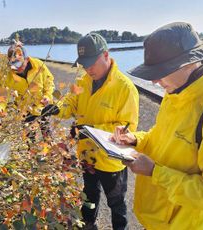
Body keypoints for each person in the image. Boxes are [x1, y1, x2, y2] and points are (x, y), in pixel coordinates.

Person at [112, 22, 203, 229]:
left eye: (161, 71)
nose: (154, 81)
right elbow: (161, 136)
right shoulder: (175, 92)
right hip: (155, 218)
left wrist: (155, 172)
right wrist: (136, 139)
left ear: (190, 62)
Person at [43, 33, 139, 229]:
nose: (88, 69)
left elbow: (128, 127)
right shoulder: (82, 81)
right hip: (87, 155)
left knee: (116, 202)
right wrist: (57, 108)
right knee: (89, 195)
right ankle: (88, 225)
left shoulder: (125, 88)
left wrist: (88, 130)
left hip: (111, 160)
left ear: (105, 55)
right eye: (84, 64)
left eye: (91, 63)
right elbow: (71, 102)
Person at [2, 39, 55, 141]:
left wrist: (47, 96)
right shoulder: (9, 74)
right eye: (14, 65)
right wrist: (0, 108)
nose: (17, 69)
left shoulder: (39, 65)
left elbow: (49, 83)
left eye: (20, 64)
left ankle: (49, 154)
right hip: (25, 111)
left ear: (26, 58)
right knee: (30, 140)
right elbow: (1, 95)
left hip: (43, 107)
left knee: (48, 136)